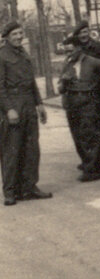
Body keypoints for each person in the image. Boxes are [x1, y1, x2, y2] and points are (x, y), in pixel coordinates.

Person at [57, 29, 100, 182]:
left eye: (72, 51)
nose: (69, 55)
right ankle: (87, 164)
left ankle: (92, 170)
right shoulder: (67, 64)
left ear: (78, 49)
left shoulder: (92, 61)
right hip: (71, 104)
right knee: (77, 137)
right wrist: (64, 81)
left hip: (88, 103)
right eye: (67, 52)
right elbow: (60, 89)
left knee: (89, 136)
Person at [0, 21, 50, 205]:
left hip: (29, 106)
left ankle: (29, 187)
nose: (19, 37)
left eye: (20, 33)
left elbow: (32, 82)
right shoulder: (2, 56)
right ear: (6, 37)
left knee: (31, 150)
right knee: (11, 151)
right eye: (15, 34)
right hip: (13, 106)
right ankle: (10, 191)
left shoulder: (24, 54)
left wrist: (40, 104)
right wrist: (9, 109)